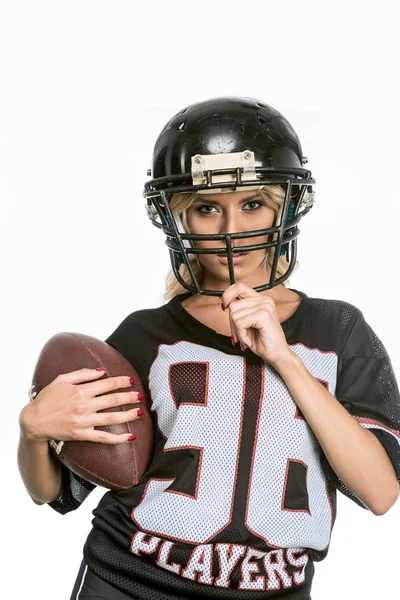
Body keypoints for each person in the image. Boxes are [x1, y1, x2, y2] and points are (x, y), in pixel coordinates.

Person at [18, 97, 400, 600]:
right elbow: (54, 492)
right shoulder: (145, 334)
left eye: (252, 203)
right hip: (130, 582)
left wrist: (284, 357)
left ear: (286, 205)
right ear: (177, 218)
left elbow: (380, 492)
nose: (230, 229)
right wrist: (34, 432)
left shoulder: (339, 328)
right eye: (205, 208)